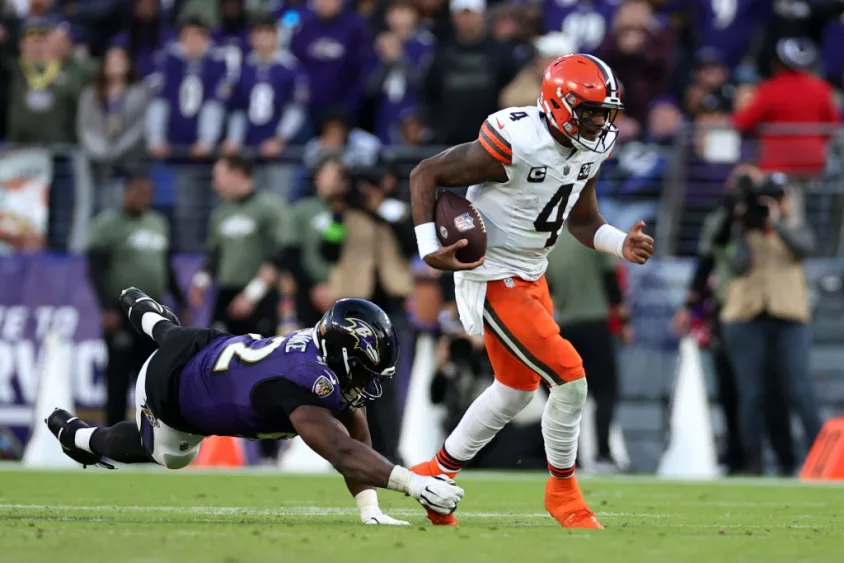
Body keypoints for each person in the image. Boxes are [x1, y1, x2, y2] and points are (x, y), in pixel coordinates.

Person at [408, 53, 654, 528]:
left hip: (532, 272)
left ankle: (435, 476)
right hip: (494, 273)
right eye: (591, 111)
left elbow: (582, 220)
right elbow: (426, 174)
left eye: (607, 112)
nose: (601, 122)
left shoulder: (591, 147)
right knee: (570, 376)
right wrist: (427, 248)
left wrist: (620, 243)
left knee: (516, 390)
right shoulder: (517, 140)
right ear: (559, 105)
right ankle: (563, 492)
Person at [46, 290, 464, 522]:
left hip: (204, 344)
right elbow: (341, 452)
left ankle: (149, 315)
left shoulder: (323, 359)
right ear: (341, 356)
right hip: (173, 389)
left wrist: (369, 510)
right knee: (168, 454)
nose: (370, 385)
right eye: (365, 371)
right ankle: (79, 435)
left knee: (177, 337)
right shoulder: (302, 383)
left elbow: (355, 430)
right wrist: (414, 484)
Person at [86, 172, 186, 428]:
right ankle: (112, 435)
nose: (145, 198)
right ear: (126, 192)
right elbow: (95, 268)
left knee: (152, 376)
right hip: (122, 313)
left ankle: (151, 436)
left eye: (149, 194)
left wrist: (181, 302)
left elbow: (167, 267)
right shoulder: (107, 225)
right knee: (118, 378)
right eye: (140, 192)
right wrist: (106, 308)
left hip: (154, 313)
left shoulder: (157, 222)